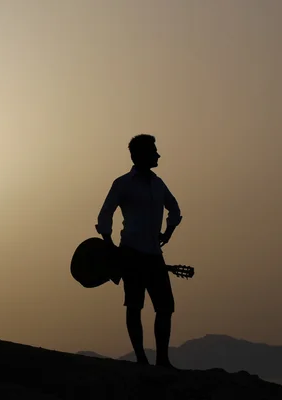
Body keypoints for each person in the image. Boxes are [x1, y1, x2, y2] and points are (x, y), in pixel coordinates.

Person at [95, 134, 182, 369]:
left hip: (154, 254)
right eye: (154, 151)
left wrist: (168, 232)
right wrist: (109, 244)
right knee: (134, 306)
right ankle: (141, 359)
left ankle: (162, 360)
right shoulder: (122, 183)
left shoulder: (158, 183)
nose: (158, 155)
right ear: (139, 155)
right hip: (131, 253)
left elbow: (174, 208)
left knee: (165, 307)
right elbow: (105, 214)